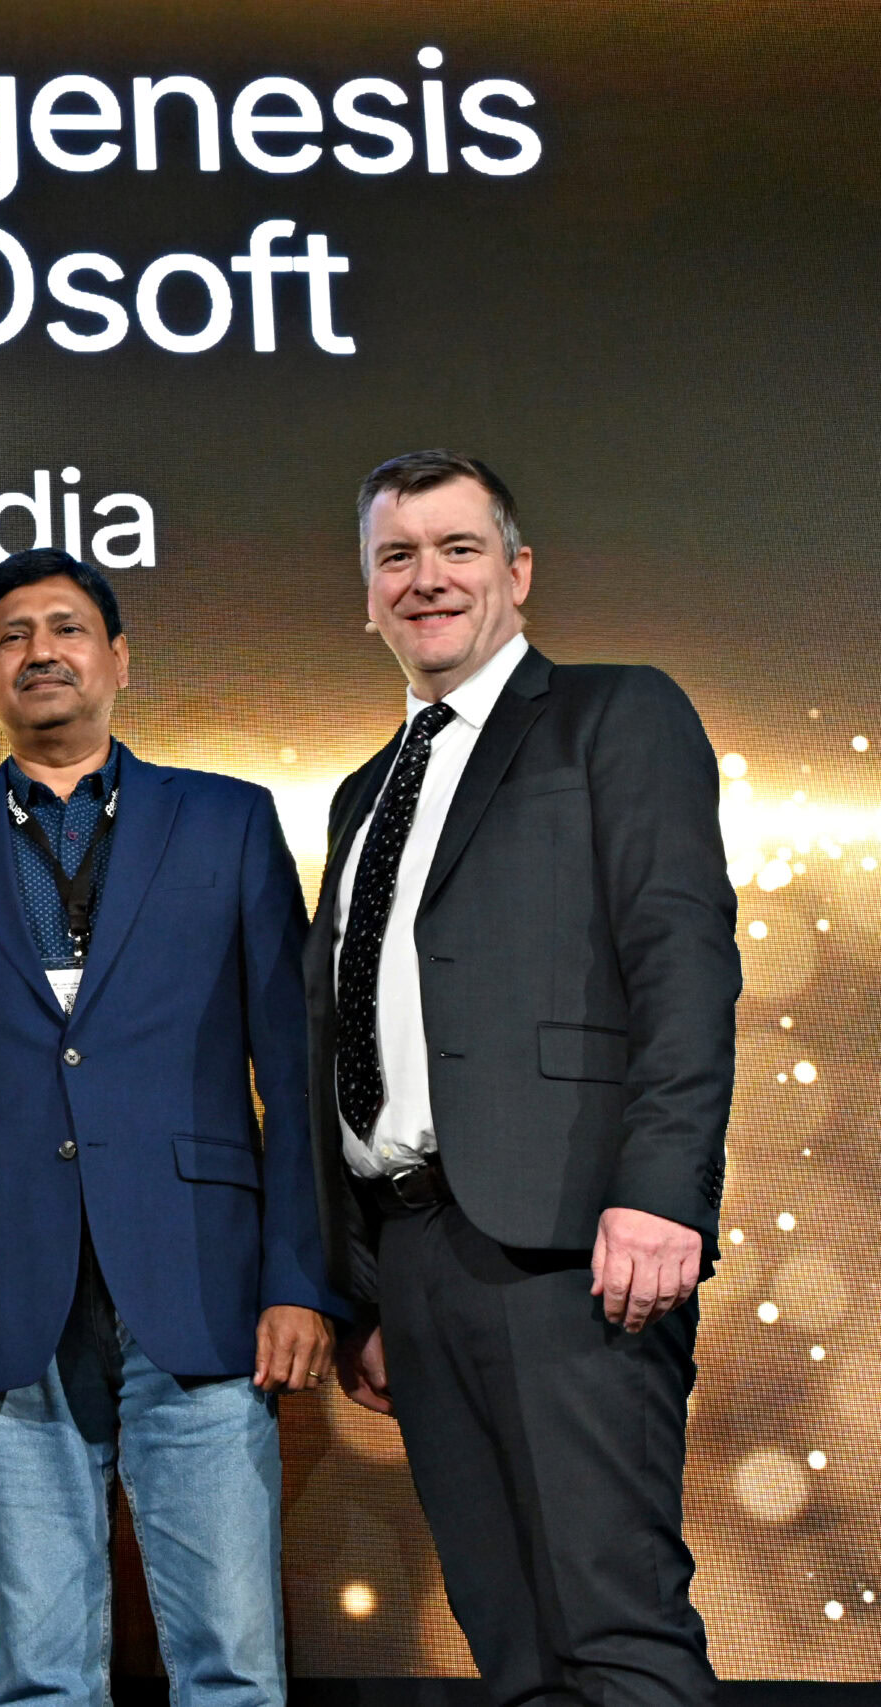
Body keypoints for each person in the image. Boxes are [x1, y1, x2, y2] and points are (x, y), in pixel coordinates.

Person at [0, 549, 342, 1706]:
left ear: (118, 659)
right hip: (0, 1290)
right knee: (40, 1678)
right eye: (12, 636)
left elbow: (293, 1073)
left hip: (206, 1288)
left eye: (66, 629)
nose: (42, 652)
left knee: (231, 1666)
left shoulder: (227, 820)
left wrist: (301, 1279)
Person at [310, 452, 737, 1705]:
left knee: (615, 1628)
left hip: (572, 1246)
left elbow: (680, 964)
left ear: (518, 570)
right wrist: (366, 1290)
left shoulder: (614, 714)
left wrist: (659, 1192)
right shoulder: (361, 793)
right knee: (512, 1654)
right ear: (367, 596)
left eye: (457, 548)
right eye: (396, 557)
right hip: (417, 1258)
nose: (426, 579)